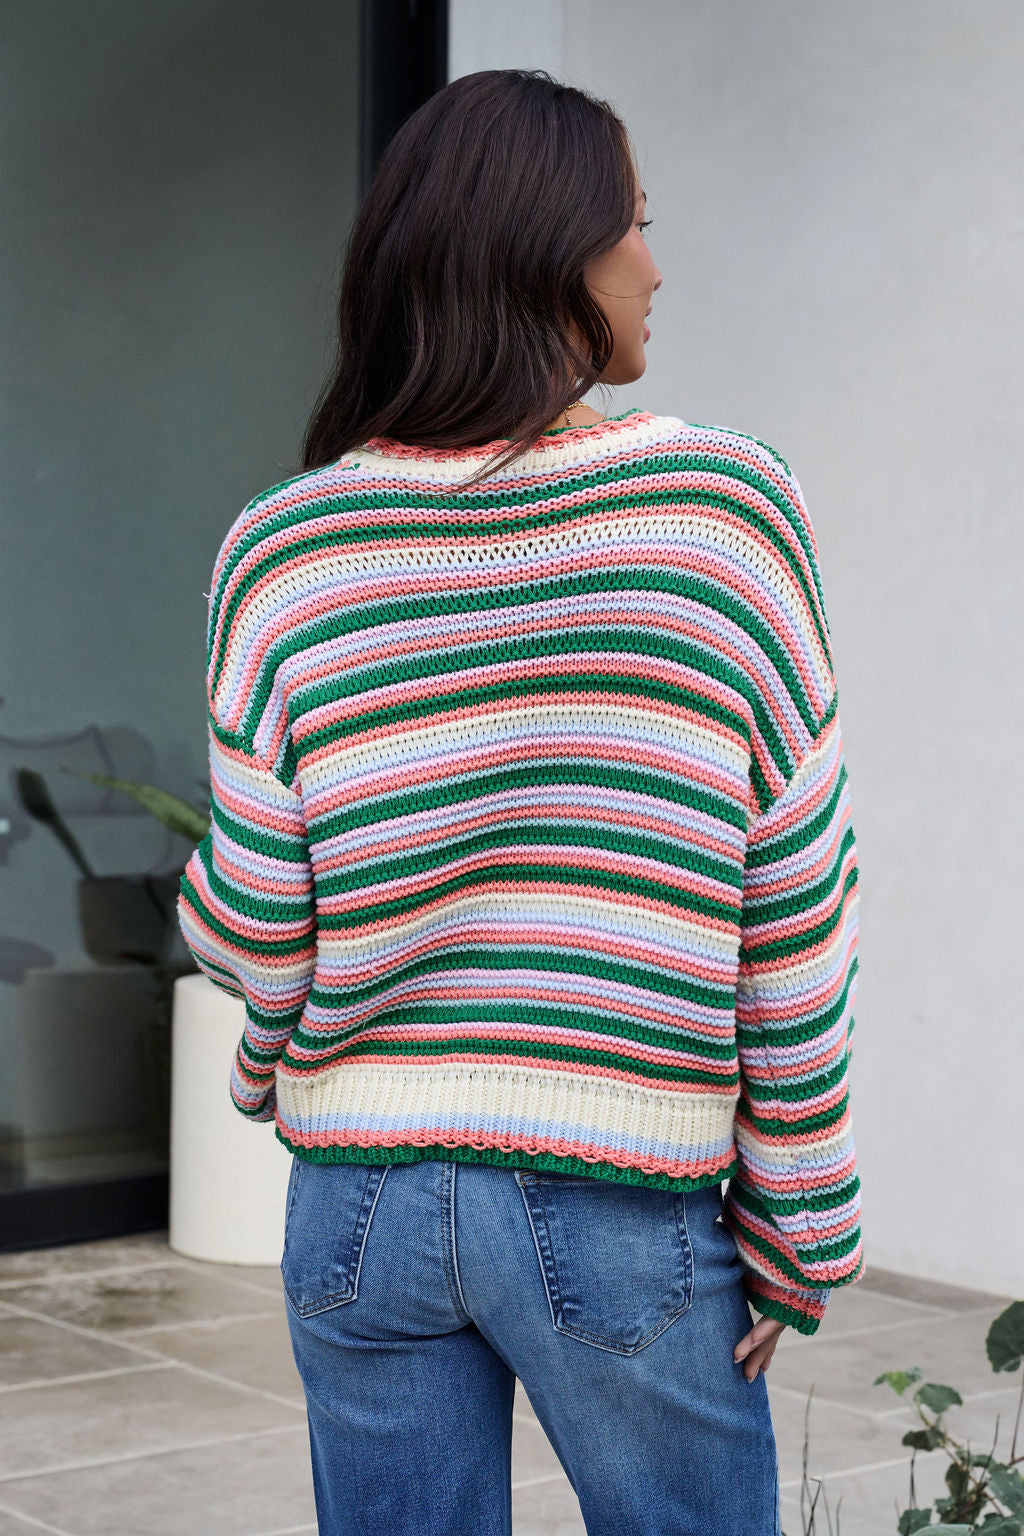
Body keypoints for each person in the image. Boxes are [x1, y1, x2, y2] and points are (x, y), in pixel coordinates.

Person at [178, 66, 862, 1536]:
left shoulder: (282, 546)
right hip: (621, 1192)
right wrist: (800, 1211)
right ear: (551, 255)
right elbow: (796, 900)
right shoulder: (722, 513)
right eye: (634, 225)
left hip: (360, 1196)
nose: (657, 264)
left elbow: (251, 920)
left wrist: (274, 1066)